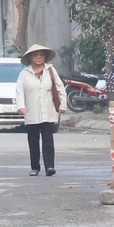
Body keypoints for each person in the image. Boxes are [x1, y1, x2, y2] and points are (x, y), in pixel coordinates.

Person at [17, 44, 66, 175]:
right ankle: (35, 167)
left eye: (41, 55)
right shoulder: (24, 74)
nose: (39, 57)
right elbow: (19, 92)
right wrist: (21, 106)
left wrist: (62, 106)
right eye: (35, 55)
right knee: (33, 141)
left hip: (48, 110)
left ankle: (49, 166)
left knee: (48, 140)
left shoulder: (51, 71)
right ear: (31, 57)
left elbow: (60, 89)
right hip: (31, 111)